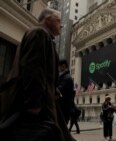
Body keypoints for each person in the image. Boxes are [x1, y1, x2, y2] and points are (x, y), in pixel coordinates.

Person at [0, 8, 75, 141]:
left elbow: (42, 71)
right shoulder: (39, 33)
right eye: (58, 21)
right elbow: (32, 69)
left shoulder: (42, 35)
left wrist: (54, 89)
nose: (61, 25)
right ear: (47, 20)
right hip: (38, 108)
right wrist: (34, 104)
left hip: (43, 105)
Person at [57, 59, 75, 124]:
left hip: (63, 110)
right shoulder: (62, 77)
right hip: (61, 110)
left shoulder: (67, 78)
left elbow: (59, 90)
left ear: (63, 66)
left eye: (58, 66)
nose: (57, 69)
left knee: (61, 131)